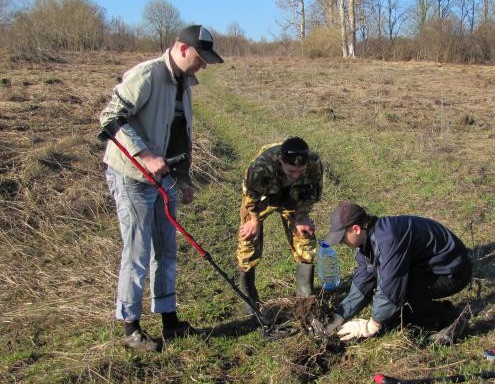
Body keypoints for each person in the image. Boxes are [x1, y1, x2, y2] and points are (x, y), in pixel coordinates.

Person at [100, 25, 224, 351]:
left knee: (166, 252)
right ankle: (131, 329)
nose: (204, 65)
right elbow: (110, 118)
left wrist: (182, 179)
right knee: (138, 252)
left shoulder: (184, 85)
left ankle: (170, 320)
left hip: (164, 180)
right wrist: (145, 154)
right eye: (201, 57)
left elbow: (180, 133)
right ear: (182, 48)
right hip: (131, 176)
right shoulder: (148, 75)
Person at [322, 201, 472, 342]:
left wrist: (371, 325)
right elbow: (363, 282)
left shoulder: (388, 239)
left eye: (342, 238)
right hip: (429, 267)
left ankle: (450, 320)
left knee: (402, 288)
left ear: (355, 229)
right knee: (393, 303)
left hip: (453, 270)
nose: (341, 242)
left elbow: (391, 287)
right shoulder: (366, 245)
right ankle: (418, 315)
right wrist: (340, 315)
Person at [237, 137, 323, 314]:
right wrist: (254, 220)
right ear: (280, 162)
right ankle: (250, 299)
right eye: (291, 171)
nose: (296, 175)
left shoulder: (314, 163)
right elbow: (250, 194)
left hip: (293, 199)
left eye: (301, 171)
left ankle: (305, 299)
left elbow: (312, 195)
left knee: (305, 239)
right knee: (248, 241)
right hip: (262, 198)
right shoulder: (261, 167)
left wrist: (301, 217)